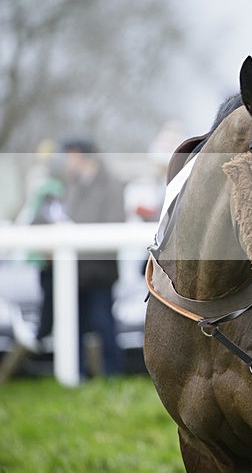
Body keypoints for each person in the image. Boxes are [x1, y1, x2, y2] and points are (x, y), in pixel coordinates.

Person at [61, 137, 127, 377]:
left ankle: (112, 373)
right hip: (75, 270)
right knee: (74, 326)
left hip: (100, 270)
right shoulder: (73, 185)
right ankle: (77, 374)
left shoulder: (112, 184)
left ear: (81, 155)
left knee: (103, 323)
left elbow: (113, 224)